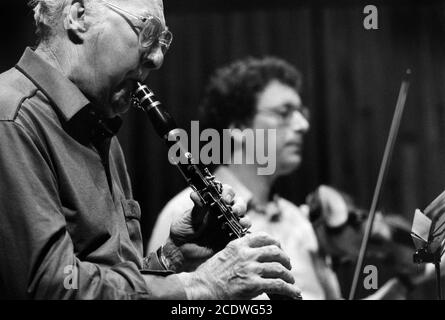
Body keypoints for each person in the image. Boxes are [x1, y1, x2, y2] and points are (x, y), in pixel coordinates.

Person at [0, 0, 301, 300]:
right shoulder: (12, 119)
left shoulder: (102, 135)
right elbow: (51, 284)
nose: (157, 58)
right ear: (78, 16)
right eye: (147, 31)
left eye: (162, 42)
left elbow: (108, 279)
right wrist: (198, 286)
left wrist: (169, 259)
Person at [147, 56, 409, 299]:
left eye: (300, 113)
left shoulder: (297, 220)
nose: (302, 125)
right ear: (239, 128)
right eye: (284, 112)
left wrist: (405, 283)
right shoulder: (187, 215)